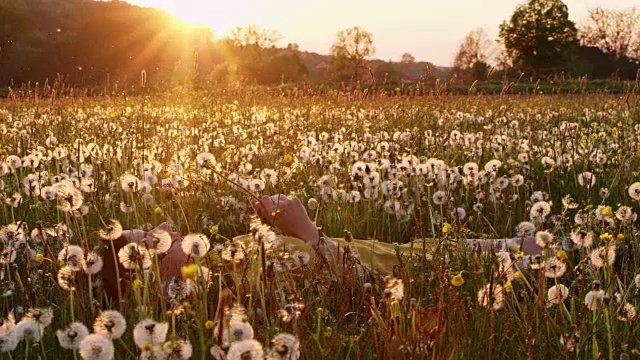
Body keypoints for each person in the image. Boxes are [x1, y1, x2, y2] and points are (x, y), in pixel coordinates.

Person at [101, 195, 542, 300]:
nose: (164, 225)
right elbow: (344, 284)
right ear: (150, 274)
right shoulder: (233, 282)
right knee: (540, 251)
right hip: (404, 272)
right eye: (150, 238)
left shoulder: (217, 262)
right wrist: (305, 228)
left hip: (394, 251)